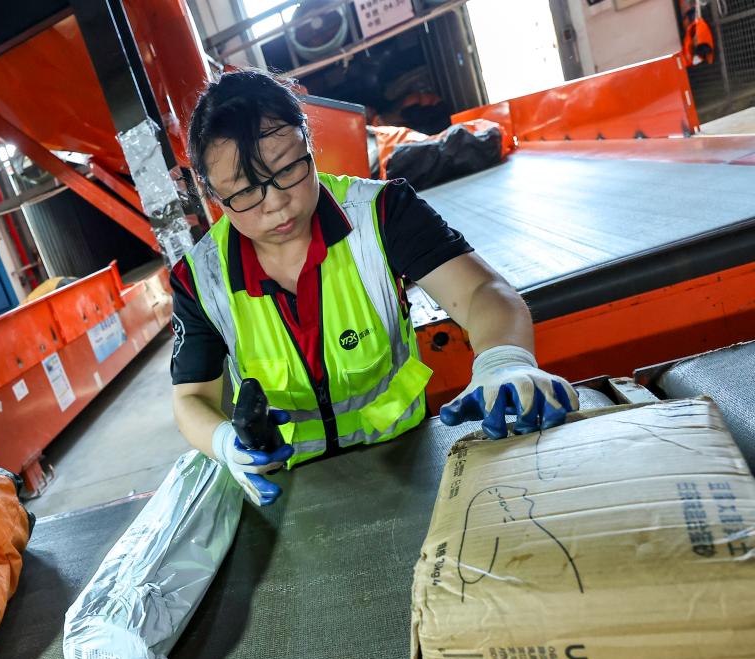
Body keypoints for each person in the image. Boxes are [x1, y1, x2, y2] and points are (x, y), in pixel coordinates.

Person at [170, 70, 578, 506]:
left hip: (408, 457)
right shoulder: (200, 279)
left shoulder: (383, 213)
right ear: (212, 193)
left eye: (288, 168)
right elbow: (192, 398)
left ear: (308, 143)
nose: (276, 203)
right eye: (245, 191)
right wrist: (224, 442)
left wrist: (504, 360)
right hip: (297, 487)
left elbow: (482, 291)